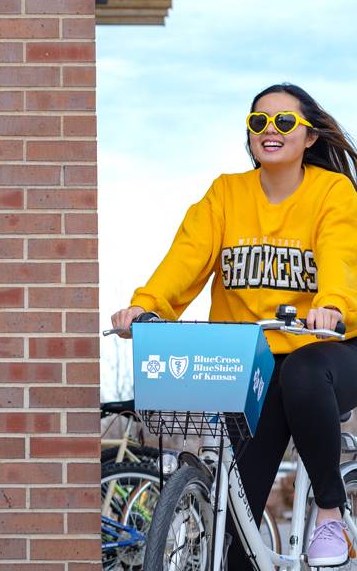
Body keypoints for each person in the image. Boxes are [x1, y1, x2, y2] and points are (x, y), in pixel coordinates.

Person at [111, 83, 357, 568]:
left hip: (329, 348)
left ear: (308, 137)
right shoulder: (226, 193)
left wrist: (330, 304)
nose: (270, 130)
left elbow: (340, 255)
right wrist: (146, 307)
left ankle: (330, 510)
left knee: (303, 372)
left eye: (284, 122)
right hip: (253, 362)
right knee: (231, 527)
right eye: (258, 122)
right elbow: (186, 257)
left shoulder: (332, 192)